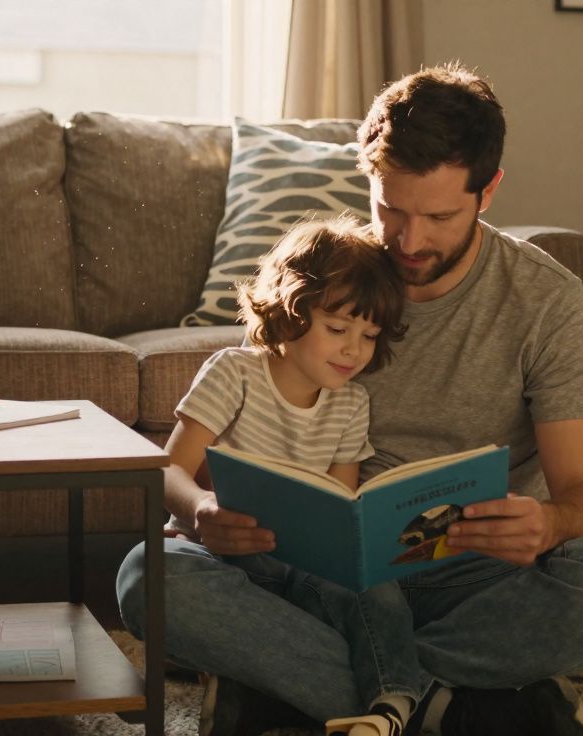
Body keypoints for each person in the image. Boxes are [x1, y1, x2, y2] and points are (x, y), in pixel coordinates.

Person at [117, 63, 583, 736]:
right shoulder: (333, 279)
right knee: (149, 576)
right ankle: (457, 705)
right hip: (310, 572)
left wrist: (548, 525)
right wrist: (207, 515)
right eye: (390, 210)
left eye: (439, 216)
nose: (408, 243)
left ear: (488, 191)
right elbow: (238, 430)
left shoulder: (546, 303)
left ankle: (334, 687)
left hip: (465, 578)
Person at [151, 216, 419, 736]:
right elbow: (167, 472)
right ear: (289, 310)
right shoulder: (234, 372)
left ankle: (392, 706)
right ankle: (431, 700)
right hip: (216, 554)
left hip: (297, 569)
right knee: (150, 572)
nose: (353, 350)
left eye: (368, 335)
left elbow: (339, 504)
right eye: (338, 329)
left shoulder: (351, 402)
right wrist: (202, 510)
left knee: (378, 594)